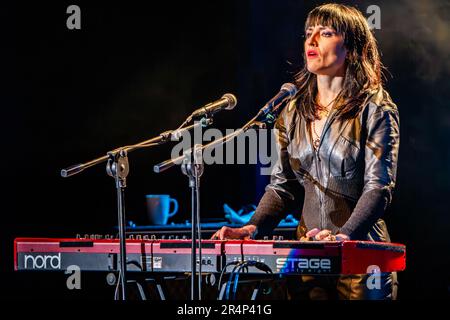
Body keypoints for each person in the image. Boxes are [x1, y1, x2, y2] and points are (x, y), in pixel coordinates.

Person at [211, 3, 400, 300]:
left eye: (325, 33)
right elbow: (282, 186)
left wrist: (343, 237)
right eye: (308, 33)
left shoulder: (375, 108)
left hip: (361, 257)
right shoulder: (293, 110)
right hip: (307, 254)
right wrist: (253, 227)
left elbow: (378, 188)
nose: (311, 40)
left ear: (351, 49)